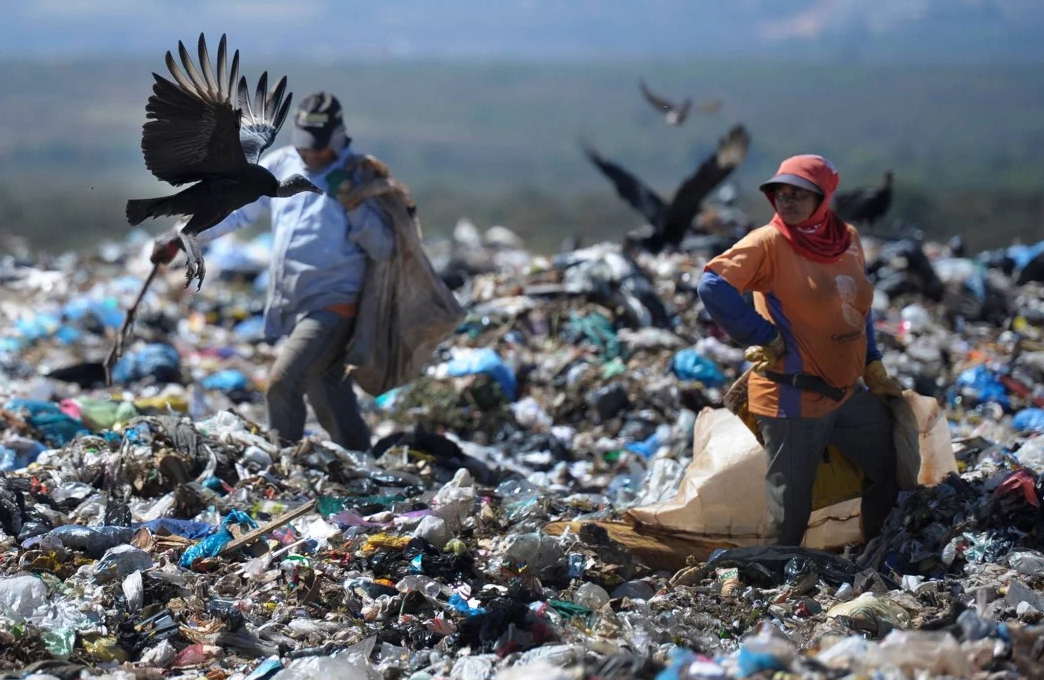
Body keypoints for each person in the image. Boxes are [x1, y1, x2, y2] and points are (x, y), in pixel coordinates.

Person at [151, 92, 392, 451]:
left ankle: (282, 462)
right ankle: (362, 458)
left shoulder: (360, 176)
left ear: (338, 137)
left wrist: (354, 203)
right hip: (294, 303)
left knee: (283, 383)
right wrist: (180, 236)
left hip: (335, 304)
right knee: (325, 386)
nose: (310, 154)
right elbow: (236, 212)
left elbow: (384, 247)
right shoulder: (280, 163)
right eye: (305, 144)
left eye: (319, 146)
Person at [696, 154, 903, 546]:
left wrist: (872, 361)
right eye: (780, 193)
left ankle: (874, 554)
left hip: (845, 393)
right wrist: (762, 335)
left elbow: (858, 306)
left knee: (889, 467)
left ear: (823, 198)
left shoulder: (847, 238)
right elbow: (713, 285)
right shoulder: (769, 243)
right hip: (792, 399)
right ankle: (773, 579)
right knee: (790, 512)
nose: (787, 200)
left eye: (799, 193)